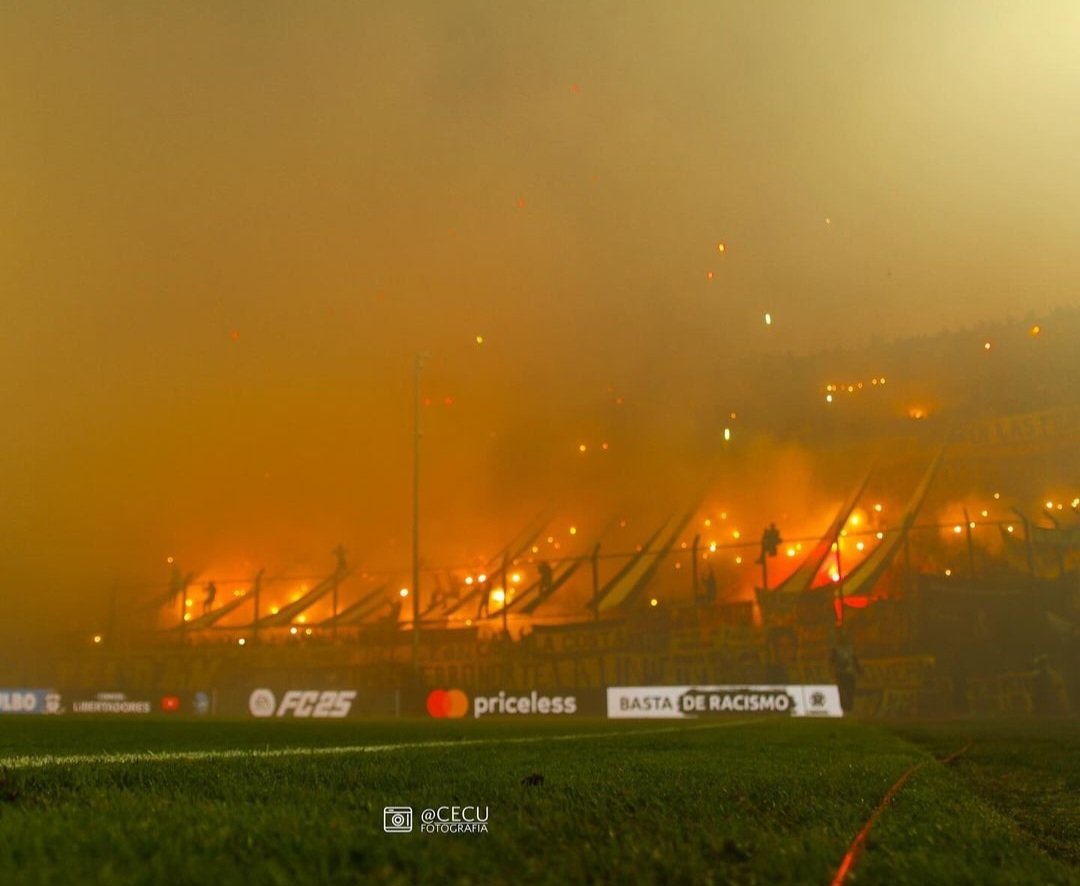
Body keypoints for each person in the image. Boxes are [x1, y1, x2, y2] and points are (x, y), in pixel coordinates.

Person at [830, 627, 861, 714]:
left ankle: (849, 707)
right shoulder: (836, 649)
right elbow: (831, 661)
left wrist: (859, 670)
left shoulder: (850, 648)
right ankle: (845, 708)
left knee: (849, 690)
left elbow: (854, 659)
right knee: (843, 691)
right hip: (842, 673)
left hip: (848, 673)